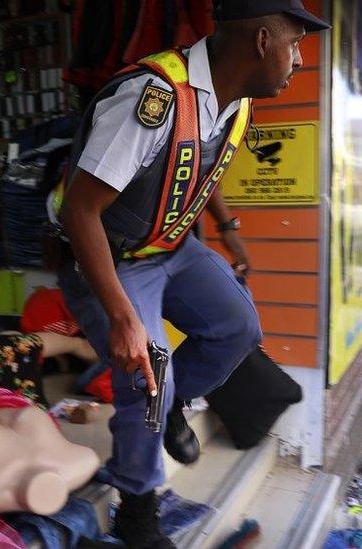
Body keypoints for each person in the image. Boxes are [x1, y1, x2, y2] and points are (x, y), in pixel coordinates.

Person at [55, 1, 329, 546]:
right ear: (260, 41)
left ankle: (175, 402)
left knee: (237, 328)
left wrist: (228, 229)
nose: (298, 59)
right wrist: (122, 319)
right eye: (293, 44)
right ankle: (137, 509)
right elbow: (79, 210)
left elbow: (198, 158)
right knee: (149, 375)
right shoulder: (151, 97)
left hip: (171, 247)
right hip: (109, 255)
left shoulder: (235, 100)